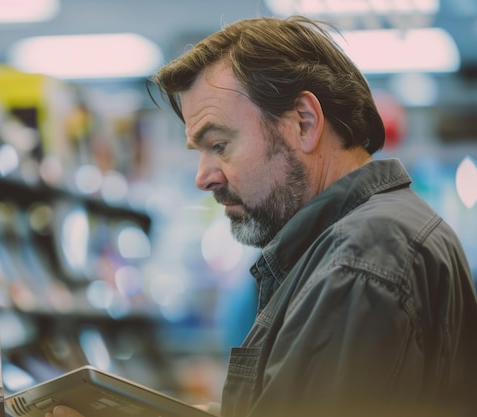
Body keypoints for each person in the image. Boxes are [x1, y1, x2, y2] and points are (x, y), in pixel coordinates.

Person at [46, 15, 477, 417]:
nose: (203, 177)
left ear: (304, 123)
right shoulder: (366, 240)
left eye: (218, 144)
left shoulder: (361, 260)